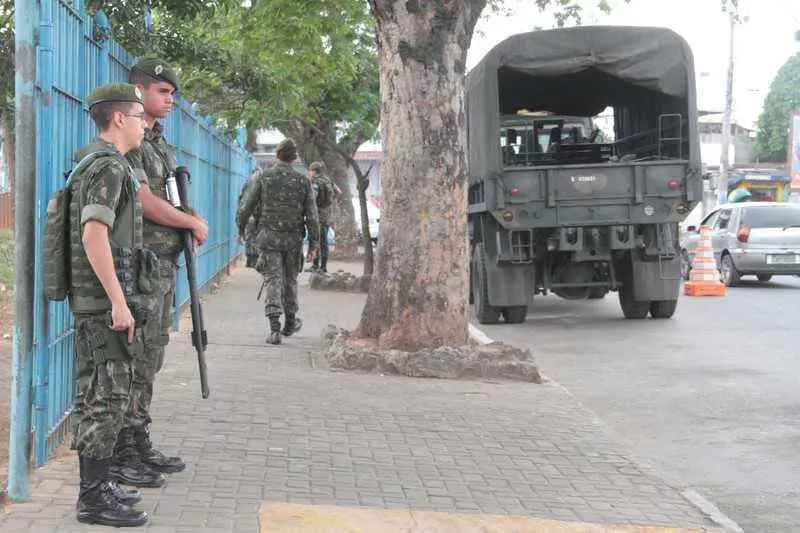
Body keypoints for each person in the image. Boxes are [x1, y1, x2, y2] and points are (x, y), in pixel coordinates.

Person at [107, 57, 209, 487]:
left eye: (172, 93)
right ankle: (121, 451)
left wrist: (190, 216)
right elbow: (145, 201)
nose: (170, 100)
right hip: (139, 265)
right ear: (140, 91)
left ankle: (138, 439)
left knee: (151, 356)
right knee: (134, 358)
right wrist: (189, 223)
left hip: (162, 265)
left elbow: (170, 197)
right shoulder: (130, 139)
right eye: (163, 92)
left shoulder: (158, 142)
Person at [70, 83, 153, 526]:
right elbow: (93, 234)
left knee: (99, 395)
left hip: (97, 302)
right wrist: (119, 302)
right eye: (139, 117)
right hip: (104, 305)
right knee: (106, 397)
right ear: (119, 118)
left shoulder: (95, 162)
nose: (144, 125)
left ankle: (98, 486)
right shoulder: (109, 168)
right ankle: (93, 498)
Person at [237, 138, 319, 345]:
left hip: (268, 238)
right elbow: (312, 216)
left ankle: (274, 329)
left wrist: (241, 229)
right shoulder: (303, 181)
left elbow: (246, 207)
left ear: (277, 155)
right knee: (290, 280)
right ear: (295, 157)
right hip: (293, 240)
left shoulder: (264, 177)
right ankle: (290, 323)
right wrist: (314, 245)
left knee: (273, 279)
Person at [307, 161, 336, 273]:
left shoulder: (316, 182)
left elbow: (313, 198)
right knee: (324, 242)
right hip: (327, 214)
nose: (309, 173)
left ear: (314, 171)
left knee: (315, 240)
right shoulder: (328, 181)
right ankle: (323, 266)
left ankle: (315, 265)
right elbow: (339, 192)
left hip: (317, 215)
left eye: (310, 170)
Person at [238, 167, 261, 268]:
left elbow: (242, 201)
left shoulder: (249, 185)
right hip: (252, 214)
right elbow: (242, 200)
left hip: (254, 214)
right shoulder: (249, 185)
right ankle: (252, 259)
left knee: (252, 236)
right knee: (251, 236)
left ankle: (253, 259)